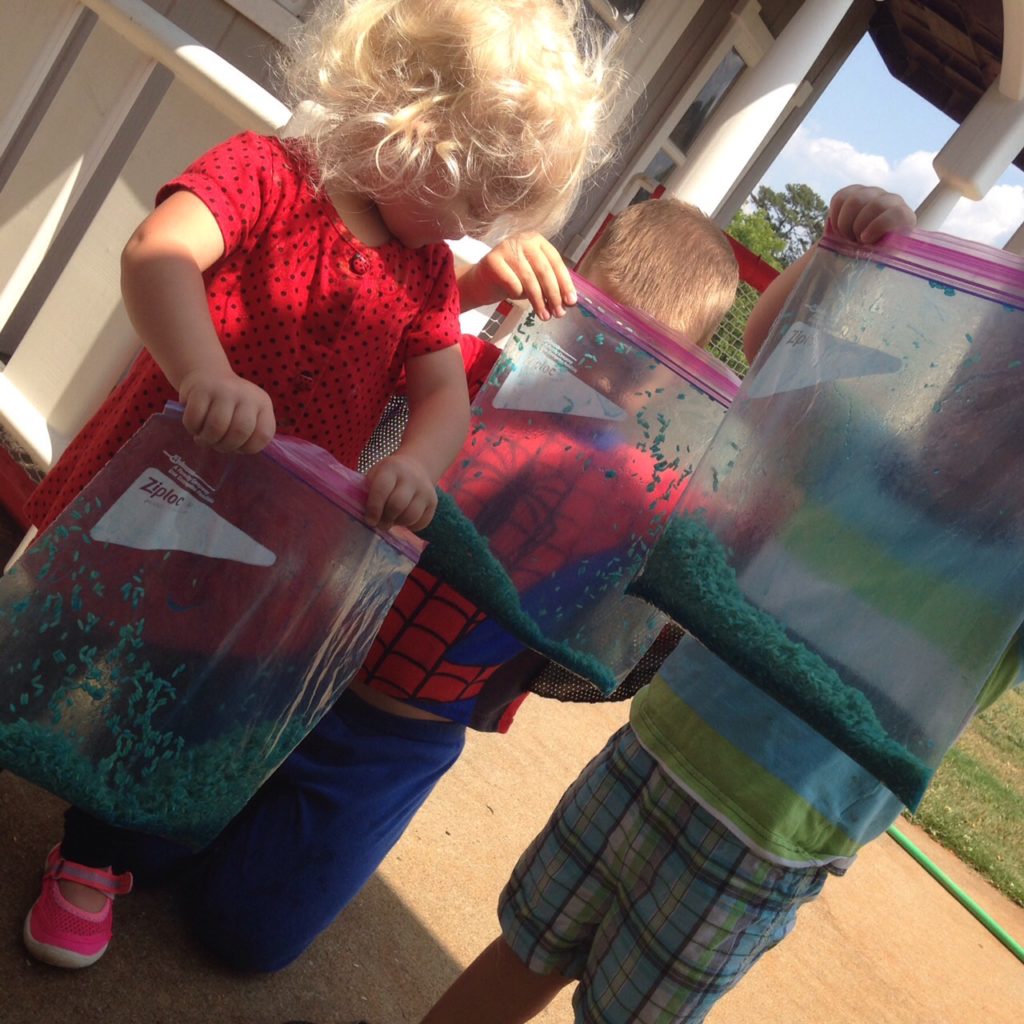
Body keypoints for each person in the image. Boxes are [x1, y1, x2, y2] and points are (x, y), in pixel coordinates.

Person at [20, 0, 611, 970]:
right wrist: (204, 371)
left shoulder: (422, 273)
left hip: (256, 538)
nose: (471, 231)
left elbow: (439, 395)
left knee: (160, 693)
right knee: (58, 618)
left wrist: (415, 465)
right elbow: (159, 255)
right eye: (467, 202)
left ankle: (90, 860)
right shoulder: (268, 172)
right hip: (154, 479)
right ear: (402, 127)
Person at [415, 185, 1024, 1024]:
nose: (985, 419)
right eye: (981, 376)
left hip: (764, 839)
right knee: (527, 942)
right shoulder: (851, 449)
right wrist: (844, 257)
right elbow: (783, 350)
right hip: (658, 743)